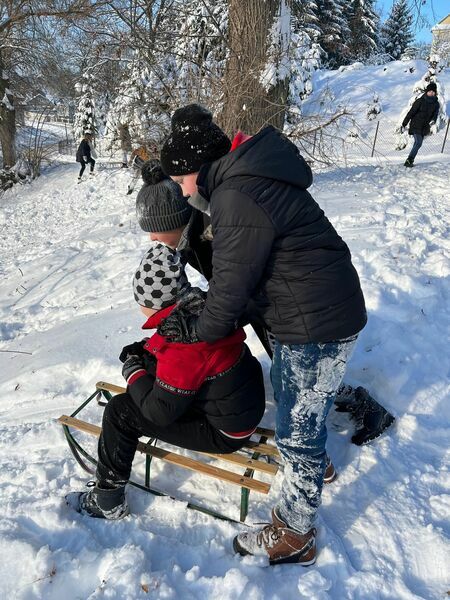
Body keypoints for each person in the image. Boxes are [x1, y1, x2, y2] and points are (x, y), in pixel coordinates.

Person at [159, 104, 367, 565]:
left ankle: (296, 533)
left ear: (195, 169)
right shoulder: (248, 176)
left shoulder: (235, 196)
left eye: (179, 180)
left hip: (315, 320)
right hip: (318, 308)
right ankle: (312, 464)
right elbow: (246, 279)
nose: (180, 189)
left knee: (296, 429)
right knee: (300, 407)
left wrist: (192, 327)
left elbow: (230, 293)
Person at [66, 179, 266, 520]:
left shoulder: (183, 345)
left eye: (142, 303)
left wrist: (135, 372)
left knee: (121, 412)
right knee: (151, 381)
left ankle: (108, 497)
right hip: (237, 403)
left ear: (157, 305)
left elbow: (160, 412)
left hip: (225, 430)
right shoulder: (197, 312)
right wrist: (146, 351)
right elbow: (174, 346)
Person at [402, 82, 439, 168]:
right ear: (427, 91)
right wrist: (405, 122)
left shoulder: (436, 103)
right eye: (430, 91)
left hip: (424, 126)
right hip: (416, 124)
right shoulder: (420, 101)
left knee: (417, 143)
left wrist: (433, 121)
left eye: (433, 91)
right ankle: (409, 160)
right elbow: (411, 112)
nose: (431, 93)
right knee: (418, 142)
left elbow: (435, 115)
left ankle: (410, 160)